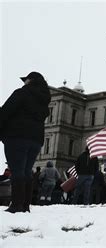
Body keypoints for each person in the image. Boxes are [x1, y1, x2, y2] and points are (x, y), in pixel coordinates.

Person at [0, 71, 51, 213]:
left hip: (17, 136)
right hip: (36, 139)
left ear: (30, 80)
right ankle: (25, 205)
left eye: (26, 80)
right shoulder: (44, 101)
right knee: (27, 171)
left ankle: (16, 205)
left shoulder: (22, 93)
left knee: (17, 170)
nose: (24, 83)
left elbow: (5, 111)